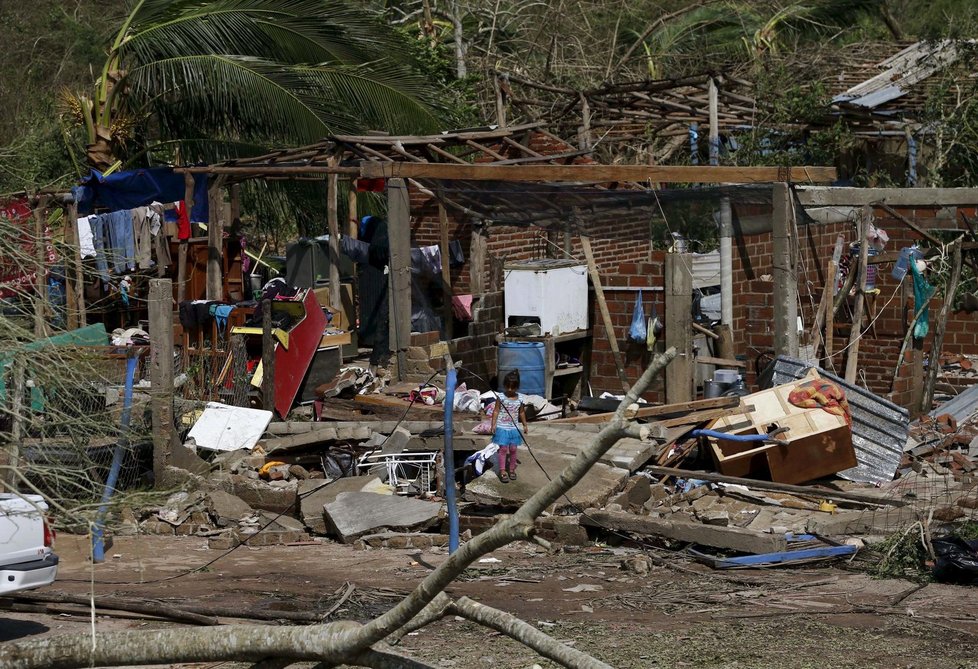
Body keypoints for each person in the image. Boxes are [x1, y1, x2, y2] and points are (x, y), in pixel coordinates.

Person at [490, 370, 528, 483]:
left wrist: (525, 425)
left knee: (513, 448)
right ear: (505, 386)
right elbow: (496, 411)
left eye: (513, 387)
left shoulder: (520, 398)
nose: (510, 390)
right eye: (508, 387)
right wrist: (493, 424)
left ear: (517, 387)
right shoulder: (500, 397)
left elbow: (521, 412)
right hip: (502, 427)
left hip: (513, 428)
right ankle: (502, 470)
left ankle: (511, 469)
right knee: (503, 449)